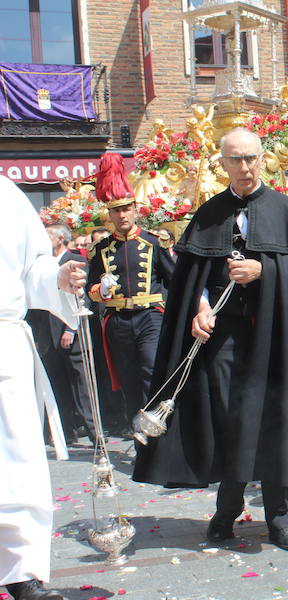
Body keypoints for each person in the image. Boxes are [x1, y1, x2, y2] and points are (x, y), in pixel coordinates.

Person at [132, 129, 288, 551]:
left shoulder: (286, 210)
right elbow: (190, 279)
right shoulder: (209, 213)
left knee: (276, 421)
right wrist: (199, 307)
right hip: (226, 341)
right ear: (223, 163)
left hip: (275, 336)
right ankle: (227, 510)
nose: (245, 166)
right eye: (236, 159)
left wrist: (264, 271)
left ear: (262, 159)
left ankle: (280, 517)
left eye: (251, 157)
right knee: (230, 419)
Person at [2, 174, 85, 600]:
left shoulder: (7, 194)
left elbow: (33, 264)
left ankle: (20, 570)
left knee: (16, 460)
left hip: (3, 341)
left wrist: (58, 276)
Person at [86, 154, 175, 435]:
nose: (122, 215)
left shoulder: (153, 242)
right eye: (116, 210)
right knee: (128, 379)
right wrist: (100, 290)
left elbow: (174, 280)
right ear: (109, 214)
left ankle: (157, 431)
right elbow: (91, 290)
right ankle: (137, 432)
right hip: (118, 320)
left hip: (150, 317)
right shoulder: (101, 250)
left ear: (135, 209)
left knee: (151, 373)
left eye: (126, 209)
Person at [25, 224, 93, 444]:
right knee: (57, 384)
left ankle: (94, 432)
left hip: (69, 332)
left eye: (48, 235)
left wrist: (70, 329)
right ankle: (65, 431)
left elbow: (81, 297)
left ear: (61, 238)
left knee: (81, 385)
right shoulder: (39, 264)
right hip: (47, 335)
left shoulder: (73, 259)